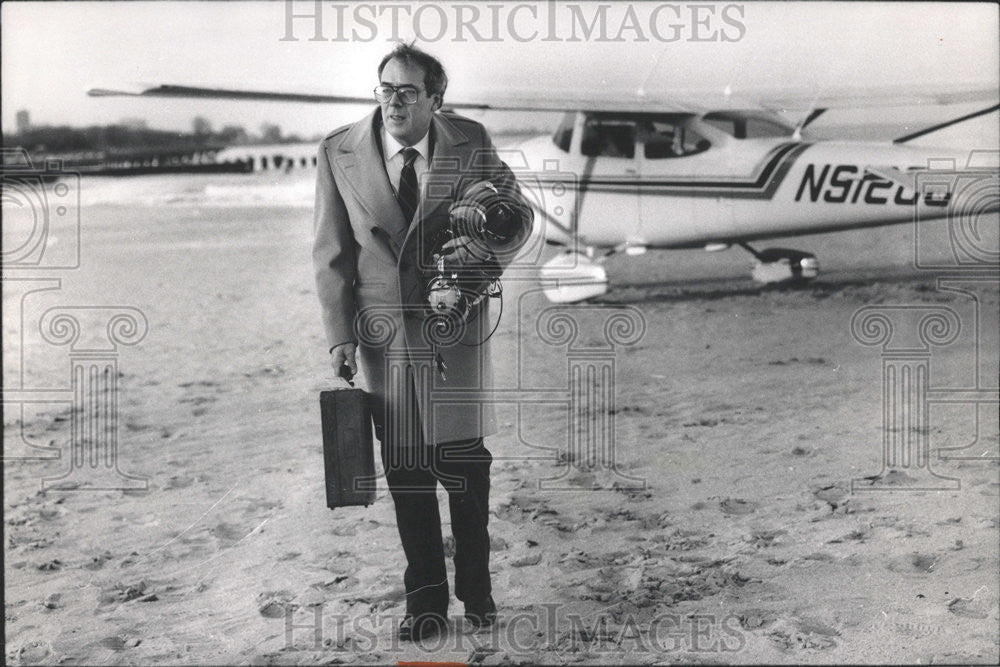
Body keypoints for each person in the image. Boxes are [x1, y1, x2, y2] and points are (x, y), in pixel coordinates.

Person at [312, 43, 533, 641]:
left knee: (466, 470)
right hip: (384, 337)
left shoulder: (472, 139)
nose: (394, 102)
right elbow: (331, 254)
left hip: (454, 323)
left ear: (436, 98)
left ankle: (479, 595)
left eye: (409, 91)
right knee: (407, 472)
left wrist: (476, 266)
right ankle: (426, 603)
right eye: (385, 88)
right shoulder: (338, 150)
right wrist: (340, 338)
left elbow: (515, 217)